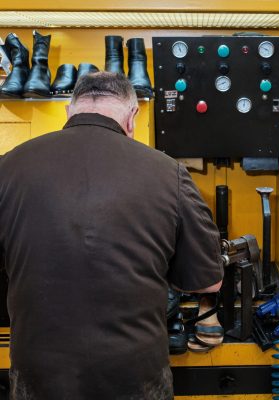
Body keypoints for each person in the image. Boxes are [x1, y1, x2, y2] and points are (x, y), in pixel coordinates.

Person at [0, 72, 223, 400]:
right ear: (133, 115)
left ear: (69, 110)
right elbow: (208, 283)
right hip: (133, 377)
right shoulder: (168, 173)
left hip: (40, 375)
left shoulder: (9, 167)